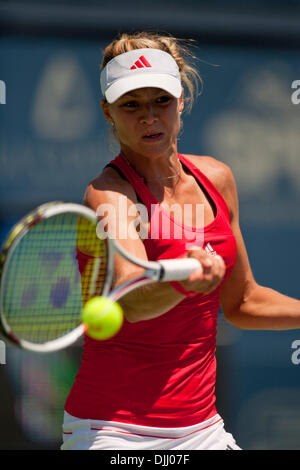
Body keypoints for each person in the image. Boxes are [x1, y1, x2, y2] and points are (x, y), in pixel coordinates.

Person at [61, 32, 300, 451]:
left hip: (202, 429)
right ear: (108, 112)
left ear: (181, 101)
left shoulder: (218, 179)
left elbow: (243, 303)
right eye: (131, 105)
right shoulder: (108, 194)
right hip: (112, 430)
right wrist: (183, 282)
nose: (149, 117)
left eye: (161, 101)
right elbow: (131, 300)